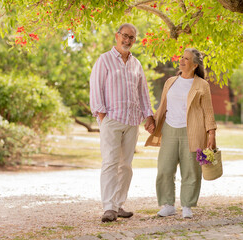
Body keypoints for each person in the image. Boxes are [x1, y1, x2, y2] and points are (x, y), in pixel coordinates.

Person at [90, 23, 155, 222]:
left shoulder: (136, 64)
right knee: (110, 162)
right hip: (112, 120)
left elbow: (143, 93)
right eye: (124, 36)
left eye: (131, 37)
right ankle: (108, 207)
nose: (127, 40)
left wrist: (149, 115)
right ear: (117, 36)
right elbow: (96, 89)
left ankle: (118, 205)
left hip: (131, 122)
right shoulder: (104, 60)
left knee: (126, 165)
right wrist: (102, 117)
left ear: (135, 40)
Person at [145, 48, 217, 218]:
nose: (182, 60)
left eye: (186, 59)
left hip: (192, 130)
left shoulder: (202, 85)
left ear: (194, 65)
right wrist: (153, 120)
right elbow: (163, 105)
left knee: (190, 170)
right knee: (164, 168)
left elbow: (208, 111)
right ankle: (168, 205)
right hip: (169, 128)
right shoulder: (170, 81)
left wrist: (211, 134)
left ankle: (187, 206)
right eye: (182, 57)